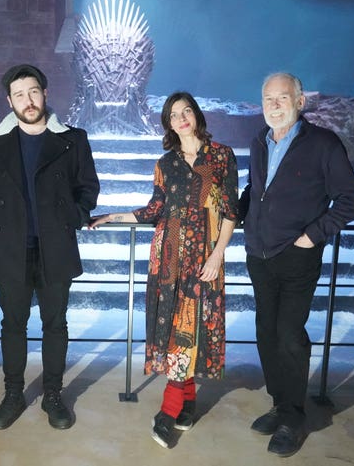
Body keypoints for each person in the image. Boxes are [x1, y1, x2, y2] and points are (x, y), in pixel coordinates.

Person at [90, 92, 238, 449]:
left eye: (186, 110)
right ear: (168, 123)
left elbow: (231, 211)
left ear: (196, 115)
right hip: (167, 258)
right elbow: (154, 209)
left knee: (189, 331)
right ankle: (187, 404)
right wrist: (114, 215)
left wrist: (217, 255)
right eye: (174, 114)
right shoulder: (165, 163)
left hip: (204, 258)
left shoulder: (219, 156)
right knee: (175, 331)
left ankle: (168, 411)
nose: (182, 117)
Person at [239, 72, 354, 457]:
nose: (274, 105)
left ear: (300, 101)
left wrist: (314, 234)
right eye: (267, 99)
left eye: (282, 98)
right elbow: (258, 190)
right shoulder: (259, 141)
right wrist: (233, 216)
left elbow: (350, 200)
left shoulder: (323, 144)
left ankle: (294, 418)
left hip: (297, 256)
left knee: (289, 336)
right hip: (259, 254)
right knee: (266, 333)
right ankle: (280, 403)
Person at [0, 64, 99, 430]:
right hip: (12, 247)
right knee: (13, 324)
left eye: (33, 91)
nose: (28, 100)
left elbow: (88, 187)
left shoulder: (73, 138)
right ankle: (13, 394)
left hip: (56, 246)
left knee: (55, 324)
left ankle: (54, 395)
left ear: (45, 93)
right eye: (19, 94)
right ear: (9, 100)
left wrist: (73, 215)